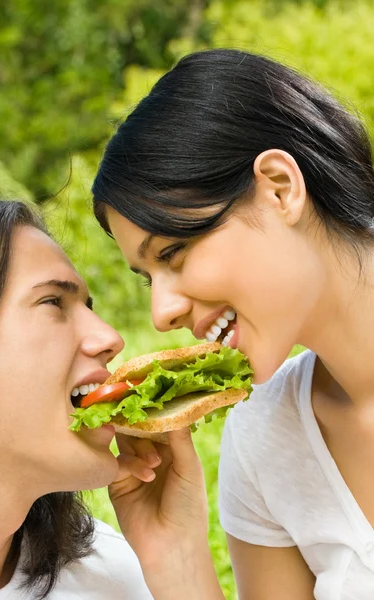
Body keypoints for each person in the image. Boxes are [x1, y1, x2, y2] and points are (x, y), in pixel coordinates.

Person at [92, 48, 374, 599]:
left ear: (279, 188)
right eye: (149, 278)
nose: (163, 313)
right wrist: (174, 554)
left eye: (173, 251)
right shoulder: (267, 435)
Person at [0, 194, 223, 599]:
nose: (110, 338)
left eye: (88, 306)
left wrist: (179, 564)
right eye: (53, 302)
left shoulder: (111, 576)